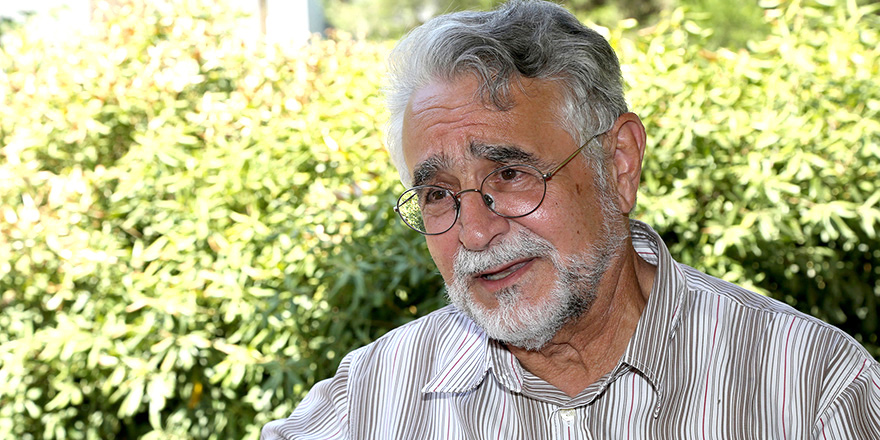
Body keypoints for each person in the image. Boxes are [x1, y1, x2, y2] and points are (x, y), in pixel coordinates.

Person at [262, 1, 880, 438]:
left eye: (510, 174)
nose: (473, 233)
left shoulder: (812, 391)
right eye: (438, 195)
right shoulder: (372, 400)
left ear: (619, 164)